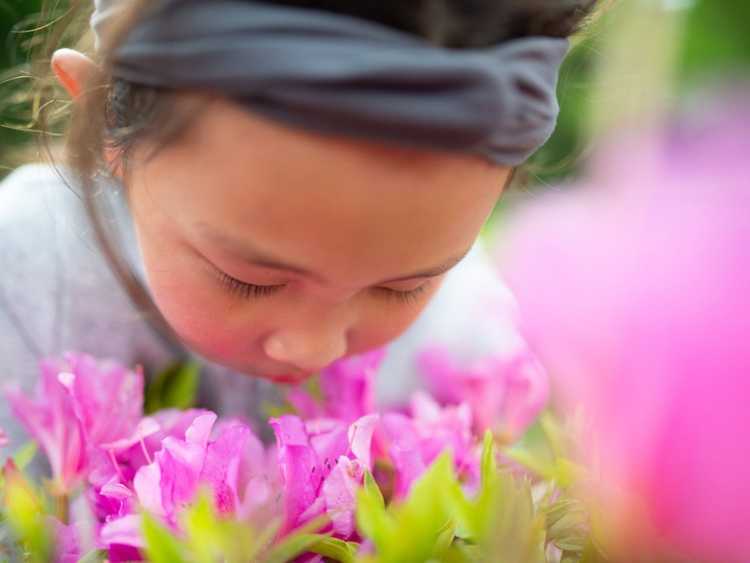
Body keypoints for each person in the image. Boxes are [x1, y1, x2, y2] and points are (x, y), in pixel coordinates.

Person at [0, 0, 597, 447]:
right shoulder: (24, 283)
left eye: (403, 286)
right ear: (109, 123)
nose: (315, 349)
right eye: (249, 279)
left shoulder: (474, 346)